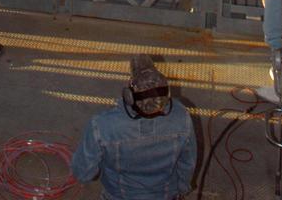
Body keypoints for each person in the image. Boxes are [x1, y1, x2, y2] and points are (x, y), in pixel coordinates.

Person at [71, 54, 196, 200]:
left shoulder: (102, 125)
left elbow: (83, 173)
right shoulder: (181, 117)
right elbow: (187, 165)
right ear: (167, 94)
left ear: (129, 95)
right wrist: (182, 189)